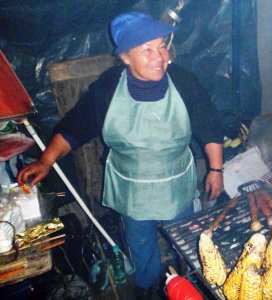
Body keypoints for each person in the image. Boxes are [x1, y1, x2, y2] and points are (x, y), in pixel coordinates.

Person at [17, 11, 224, 298]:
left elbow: (208, 124)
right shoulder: (109, 87)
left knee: (184, 242)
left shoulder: (183, 81)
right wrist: (46, 160)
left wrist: (216, 169)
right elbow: (77, 125)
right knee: (142, 250)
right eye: (147, 49)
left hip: (176, 184)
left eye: (162, 45)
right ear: (125, 57)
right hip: (132, 190)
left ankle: (188, 285)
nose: (160, 56)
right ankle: (149, 291)